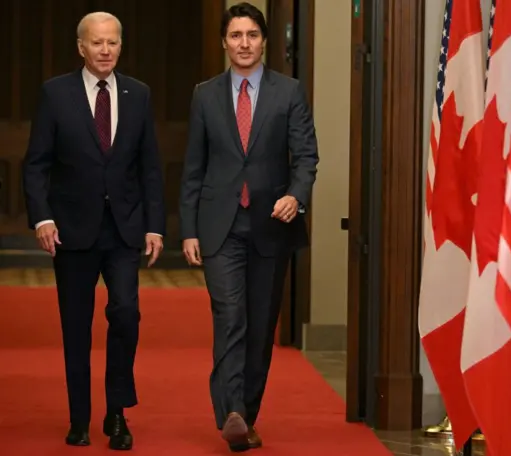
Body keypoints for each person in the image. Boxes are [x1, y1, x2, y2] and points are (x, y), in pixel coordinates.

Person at [22, 11, 165, 451]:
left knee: (125, 314)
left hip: (124, 231)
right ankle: (79, 418)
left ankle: (117, 415)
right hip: (73, 231)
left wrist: (155, 227)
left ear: (121, 46)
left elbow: (151, 168)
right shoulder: (55, 93)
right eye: (97, 43)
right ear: (81, 47)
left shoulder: (137, 94)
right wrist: (43, 218)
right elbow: (36, 163)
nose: (106, 50)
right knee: (76, 328)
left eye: (113, 43)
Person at [179, 2, 319, 452]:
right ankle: (232, 413)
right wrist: (189, 230)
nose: (244, 43)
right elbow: (193, 168)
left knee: (260, 327)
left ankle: (246, 415)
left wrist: (296, 196)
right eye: (236, 35)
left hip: (270, 227)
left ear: (263, 41)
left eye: (252, 35)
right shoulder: (205, 94)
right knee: (230, 316)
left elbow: (307, 156)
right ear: (225, 42)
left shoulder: (290, 91)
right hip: (219, 225)